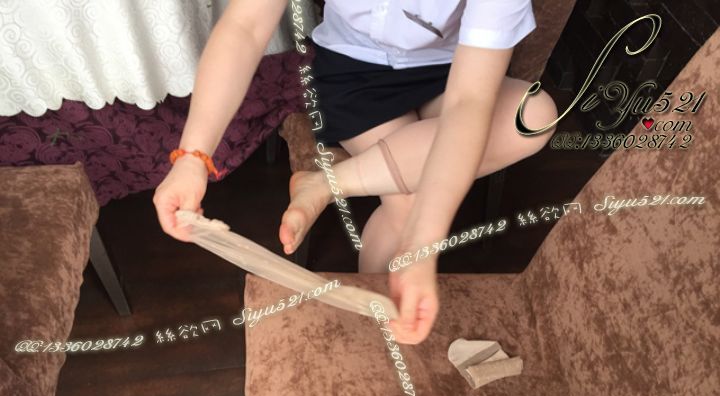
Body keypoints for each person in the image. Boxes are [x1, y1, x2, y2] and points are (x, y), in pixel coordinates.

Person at [153, 0, 557, 345]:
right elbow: (245, 25)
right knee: (408, 206)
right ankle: (376, 337)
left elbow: (468, 101)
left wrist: (423, 246)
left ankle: (328, 183)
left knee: (534, 116)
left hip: (452, 68)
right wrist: (191, 157)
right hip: (353, 71)